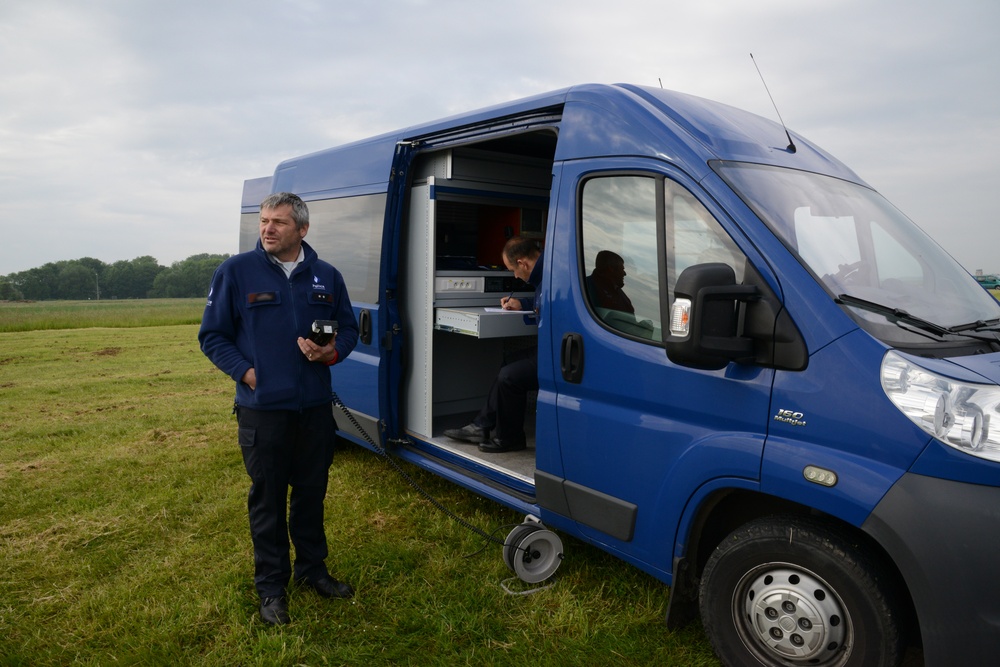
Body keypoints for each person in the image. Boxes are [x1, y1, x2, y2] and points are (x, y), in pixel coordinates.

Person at [198, 192, 359, 626]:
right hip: (263, 411)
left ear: (302, 229)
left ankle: (313, 571)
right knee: (267, 499)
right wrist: (249, 374)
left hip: (314, 410)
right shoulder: (235, 272)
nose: (267, 228)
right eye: (264, 221)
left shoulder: (327, 275)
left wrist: (332, 354)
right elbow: (212, 337)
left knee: (310, 495)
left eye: (279, 222)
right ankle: (271, 587)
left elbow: (348, 328)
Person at [444, 236, 542, 453]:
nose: (515, 276)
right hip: (554, 348)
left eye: (512, 270)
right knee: (510, 360)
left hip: (559, 353)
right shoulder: (547, 273)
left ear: (522, 263)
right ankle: (483, 425)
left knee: (509, 377)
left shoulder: (549, 277)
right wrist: (523, 303)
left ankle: (510, 439)